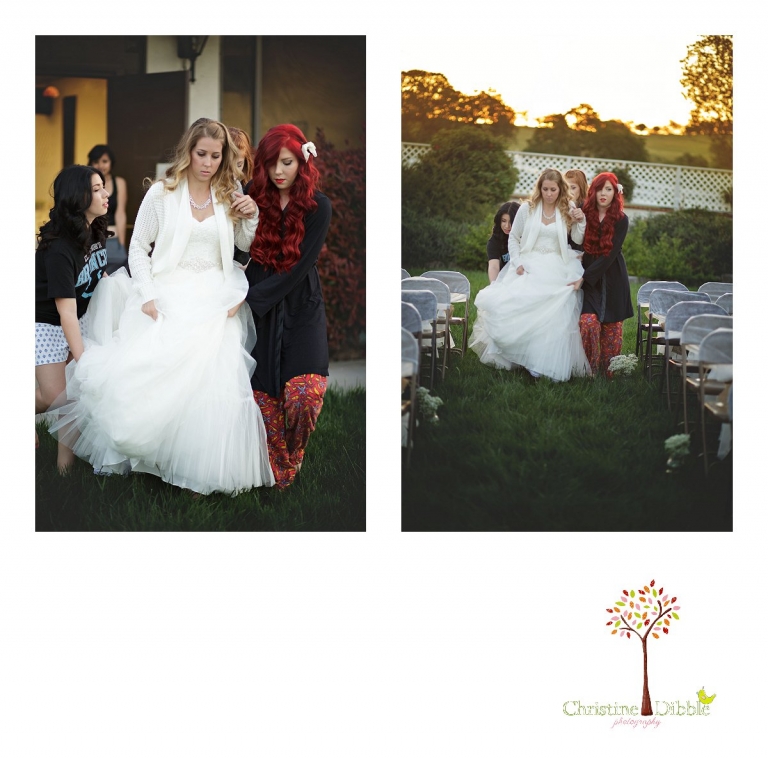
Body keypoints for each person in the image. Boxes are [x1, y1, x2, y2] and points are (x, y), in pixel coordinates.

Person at [49, 119, 274, 493]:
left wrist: (250, 215)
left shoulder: (228, 192)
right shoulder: (163, 193)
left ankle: (196, 463)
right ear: (188, 151)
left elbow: (245, 246)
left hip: (215, 294)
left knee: (209, 380)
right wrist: (148, 293)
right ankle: (150, 453)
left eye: (216, 156)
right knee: (150, 373)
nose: (208, 163)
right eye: (201, 154)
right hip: (167, 290)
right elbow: (138, 248)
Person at [242, 124, 332, 489]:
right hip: (256, 313)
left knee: (303, 397)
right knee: (263, 405)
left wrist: (251, 298)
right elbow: (235, 249)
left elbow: (298, 268)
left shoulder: (317, 206)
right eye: (271, 163)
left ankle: (293, 456)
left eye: (287, 162)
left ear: (302, 162)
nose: (278, 171)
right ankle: (280, 474)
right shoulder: (252, 195)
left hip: (299, 306)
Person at [469, 168, 590, 381]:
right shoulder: (528, 208)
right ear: (540, 188)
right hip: (529, 261)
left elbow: (578, 240)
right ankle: (519, 356)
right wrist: (517, 262)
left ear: (560, 189)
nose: (549, 194)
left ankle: (543, 361)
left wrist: (580, 221)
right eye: (545, 189)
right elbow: (514, 238)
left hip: (557, 263)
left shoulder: (567, 207)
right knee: (520, 304)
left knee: (555, 311)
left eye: (553, 189)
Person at [36, 165, 110, 471]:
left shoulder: (95, 229)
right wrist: (84, 360)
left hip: (78, 316)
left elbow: (96, 272)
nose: (105, 194)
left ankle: (63, 472)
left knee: (73, 397)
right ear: (77, 197)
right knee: (56, 396)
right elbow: (64, 311)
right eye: (96, 189)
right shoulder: (60, 248)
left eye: (103, 186)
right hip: (47, 323)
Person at [571, 172, 633, 376]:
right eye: (600, 189)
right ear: (593, 191)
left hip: (613, 278)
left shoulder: (621, 220)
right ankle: (589, 370)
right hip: (590, 282)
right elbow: (573, 238)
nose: (604, 193)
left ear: (616, 192)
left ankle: (609, 374)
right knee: (588, 322)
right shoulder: (584, 212)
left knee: (611, 332)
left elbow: (609, 255)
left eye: (609, 189)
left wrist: (584, 277)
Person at [88, 145, 129, 274]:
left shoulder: (120, 182)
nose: (100, 165)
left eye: (104, 161)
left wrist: (121, 245)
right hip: (92, 238)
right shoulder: (86, 183)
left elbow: (120, 213)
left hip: (113, 239)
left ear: (111, 162)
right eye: (96, 162)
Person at [228, 126, 255, 267]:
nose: (234, 172)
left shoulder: (239, 187)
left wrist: (253, 213)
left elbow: (244, 244)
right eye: (227, 165)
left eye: (239, 164)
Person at [486, 201, 520, 282]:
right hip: (506, 279)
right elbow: (493, 266)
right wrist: (494, 286)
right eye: (504, 221)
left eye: (511, 222)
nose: (507, 226)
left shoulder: (526, 237)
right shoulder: (495, 241)